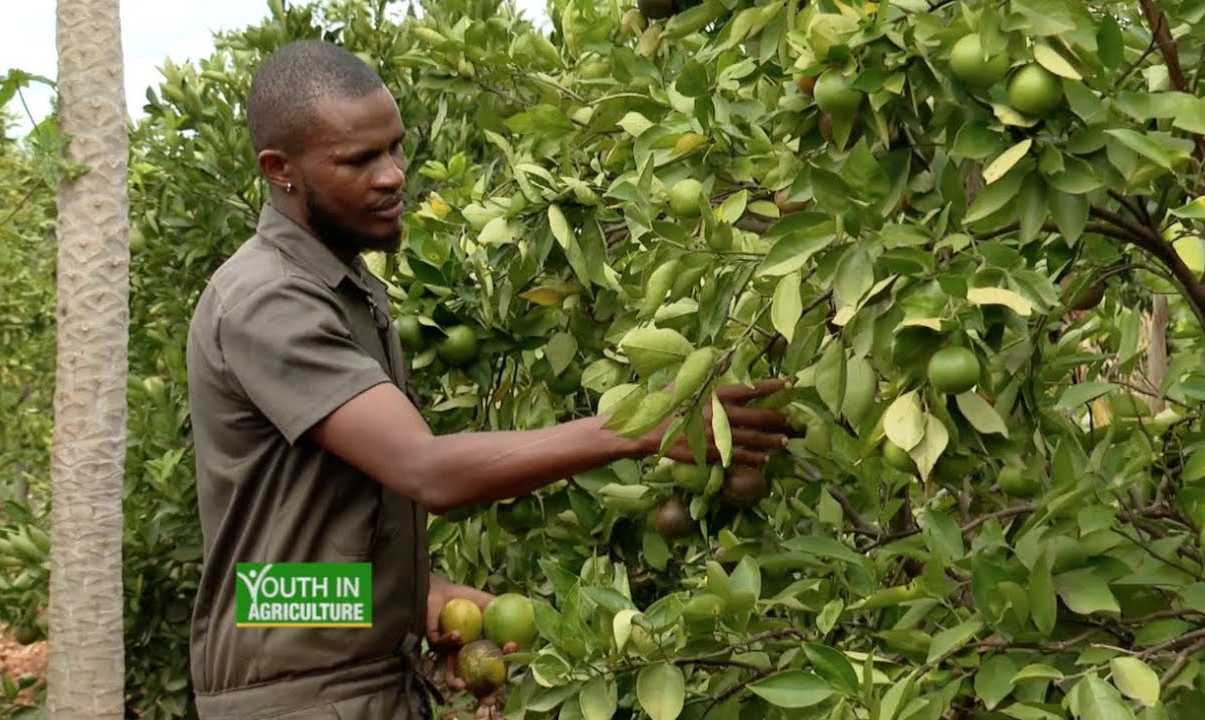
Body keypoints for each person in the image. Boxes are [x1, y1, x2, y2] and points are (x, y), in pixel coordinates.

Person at [184, 39, 794, 720]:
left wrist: (416, 598)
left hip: (350, 688)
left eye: (395, 148)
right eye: (359, 160)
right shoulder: (269, 302)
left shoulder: (338, 285)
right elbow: (428, 471)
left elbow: (267, 586)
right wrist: (642, 427)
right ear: (280, 169)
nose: (392, 176)